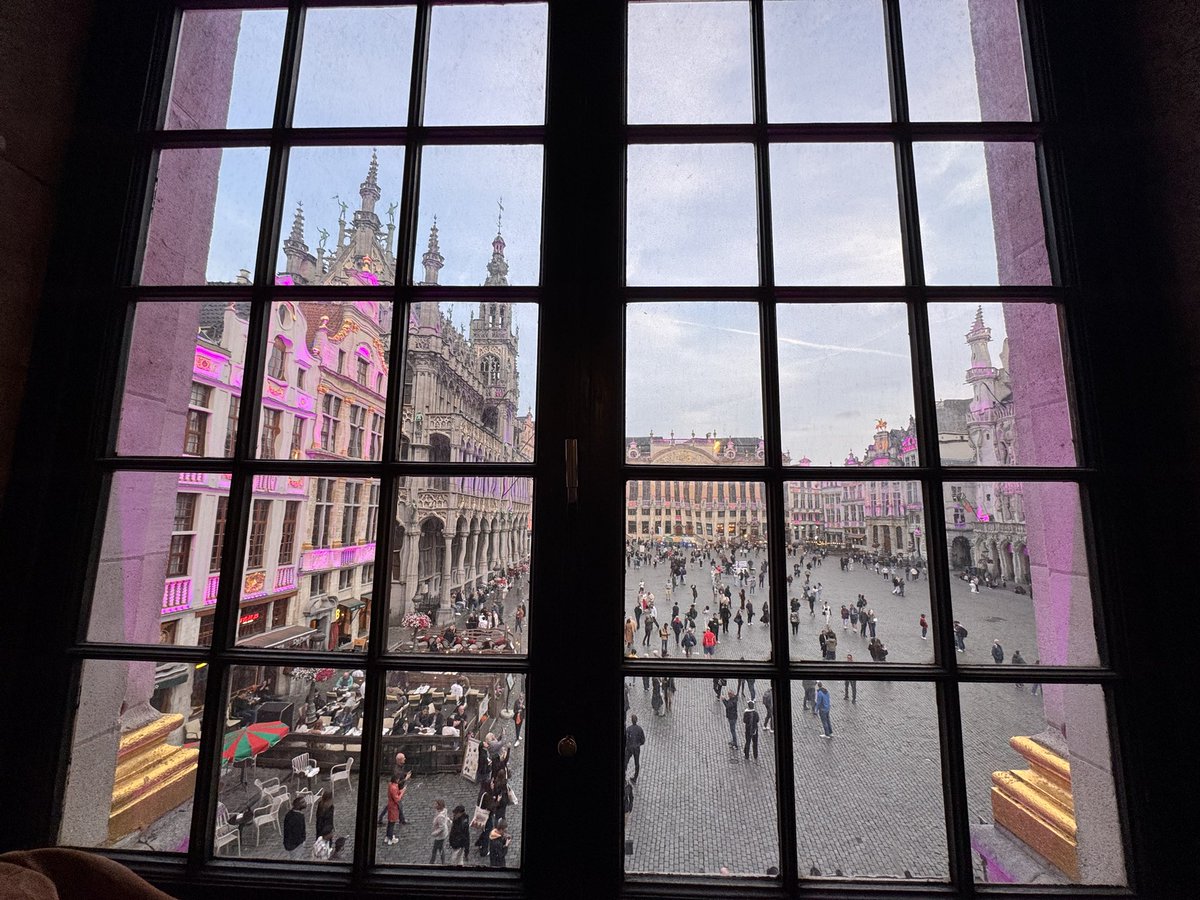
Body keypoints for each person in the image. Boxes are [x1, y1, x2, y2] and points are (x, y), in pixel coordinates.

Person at [624, 714, 645, 782]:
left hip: (629, 748)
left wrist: (627, 745)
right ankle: (635, 777)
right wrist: (638, 744)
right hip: (636, 748)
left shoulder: (628, 729)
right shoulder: (640, 729)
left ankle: (624, 775)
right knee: (637, 763)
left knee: (625, 761)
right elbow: (643, 740)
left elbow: (625, 739)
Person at [384, 775, 404, 845]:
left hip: (390, 805)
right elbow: (397, 799)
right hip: (393, 807)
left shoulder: (390, 785)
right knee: (392, 823)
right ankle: (390, 838)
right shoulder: (394, 788)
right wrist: (402, 792)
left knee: (390, 822)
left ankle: (387, 836)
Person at [430, 799, 450, 864]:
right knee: (440, 848)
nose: (434, 805)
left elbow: (442, 828)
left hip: (440, 836)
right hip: (442, 835)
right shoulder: (443, 811)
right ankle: (442, 862)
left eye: (436, 804)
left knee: (435, 850)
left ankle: (431, 863)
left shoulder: (440, 816)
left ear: (439, 805)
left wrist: (434, 833)